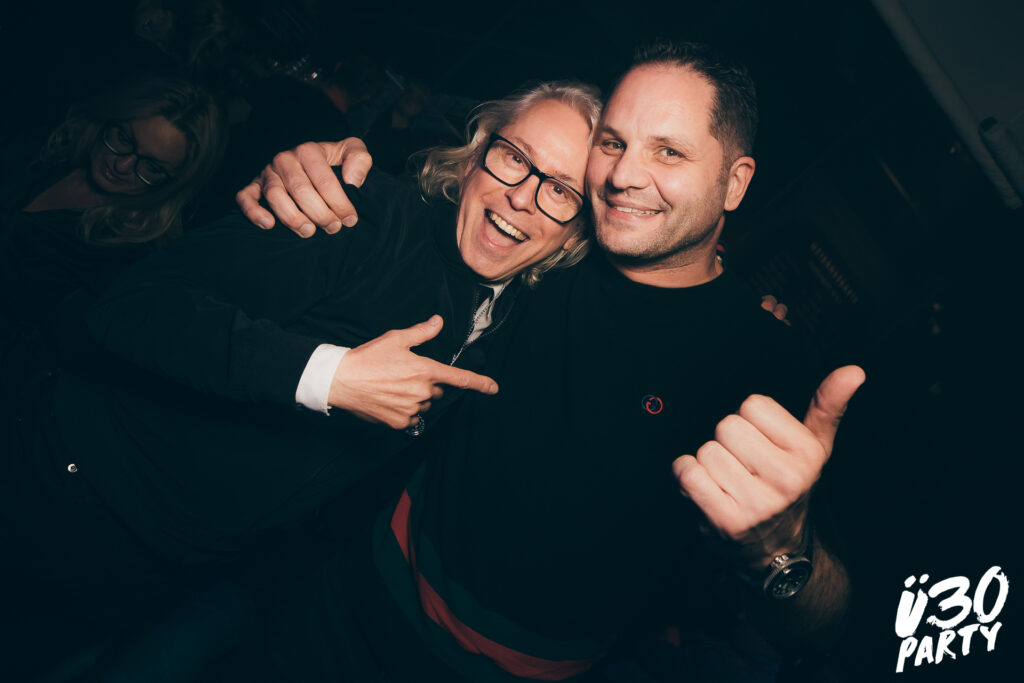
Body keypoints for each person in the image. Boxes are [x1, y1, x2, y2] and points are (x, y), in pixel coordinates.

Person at [229, 41, 863, 682]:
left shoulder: (767, 363)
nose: (623, 175)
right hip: (345, 596)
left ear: (735, 182)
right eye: (613, 143)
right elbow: (447, 191)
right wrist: (314, 167)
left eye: (668, 152)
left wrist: (780, 552)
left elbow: (825, 625)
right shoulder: (553, 243)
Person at [2, 81, 600, 598]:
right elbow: (132, 306)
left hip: (186, 564)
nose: (522, 196)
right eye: (513, 158)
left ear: (576, 232)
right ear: (474, 158)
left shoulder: (515, 317)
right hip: (66, 487)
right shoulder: (357, 208)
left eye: (562, 190)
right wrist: (325, 375)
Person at [0, 72, 226, 384]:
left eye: (151, 166)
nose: (121, 165)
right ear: (112, 117)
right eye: (124, 139)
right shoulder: (49, 149)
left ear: (173, 184)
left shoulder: (125, 256)